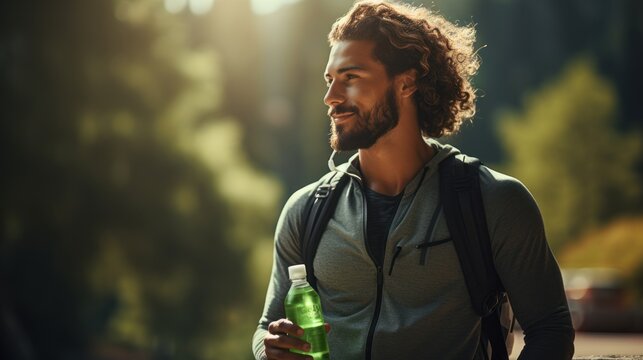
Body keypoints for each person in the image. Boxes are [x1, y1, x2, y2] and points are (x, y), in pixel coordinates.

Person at [252, 1, 575, 359]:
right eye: (330, 80)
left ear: (406, 83)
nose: (331, 98)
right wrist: (271, 350)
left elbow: (551, 330)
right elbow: (267, 326)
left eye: (351, 77)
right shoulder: (306, 210)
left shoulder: (494, 201)